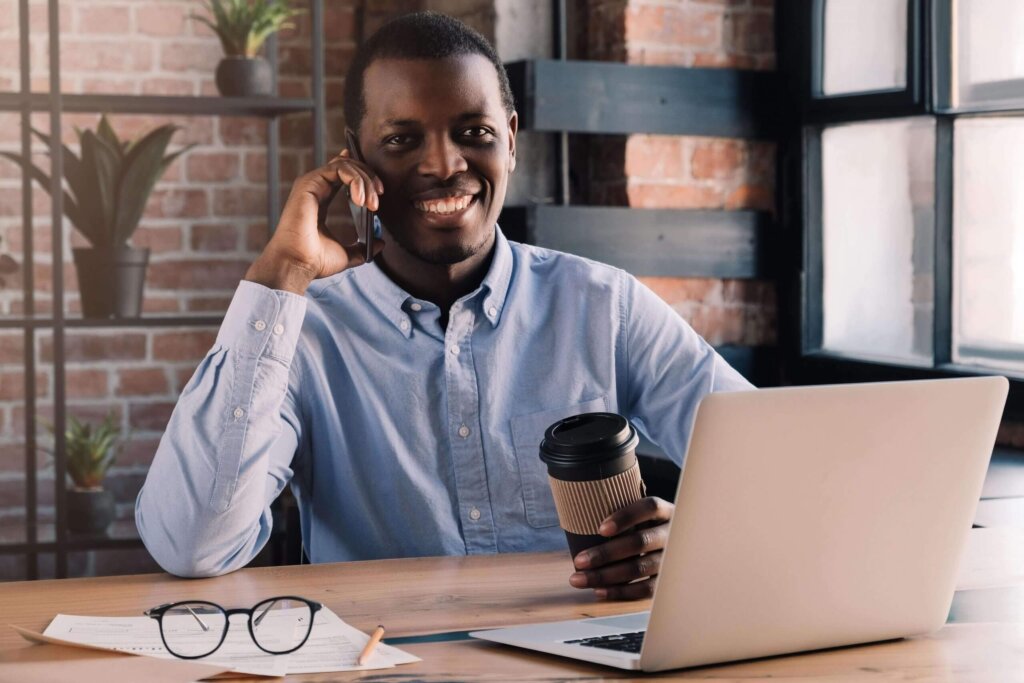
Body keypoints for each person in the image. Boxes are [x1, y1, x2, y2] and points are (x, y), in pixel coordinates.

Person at [135, 12, 752, 600]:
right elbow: (191, 546)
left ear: (509, 140)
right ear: (355, 158)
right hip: (383, 660)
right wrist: (282, 274)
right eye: (402, 140)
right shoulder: (305, 333)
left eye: (474, 133)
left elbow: (781, 468)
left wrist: (690, 540)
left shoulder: (603, 306)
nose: (444, 164)